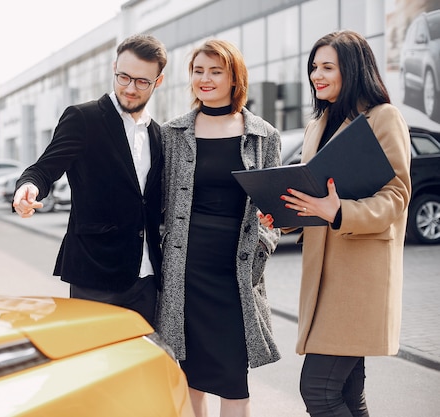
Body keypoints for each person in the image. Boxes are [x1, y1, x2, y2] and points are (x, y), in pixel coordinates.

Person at [260, 30, 411, 416]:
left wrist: (339, 211)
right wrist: (284, 214)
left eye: (328, 66)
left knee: (317, 390)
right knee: (345, 392)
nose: (316, 75)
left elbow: (396, 196)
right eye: (314, 67)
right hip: (322, 280)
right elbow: (316, 194)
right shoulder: (318, 123)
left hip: (359, 280)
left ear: (354, 70)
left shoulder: (383, 118)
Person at [157, 39, 281, 417]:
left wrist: (265, 237)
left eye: (215, 71)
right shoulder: (171, 134)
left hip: (235, 274)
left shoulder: (264, 135)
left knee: (233, 377)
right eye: (198, 71)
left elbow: (276, 209)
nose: (205, 79)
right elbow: (155, 202)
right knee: (189, 372)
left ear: (234, 77)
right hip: (185, 271)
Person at [11, 34, 167, 327]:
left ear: (158, 82)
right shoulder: (83, 118)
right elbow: (44, 168)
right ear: (114, 68)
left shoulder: (158, 135)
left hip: (147, 279)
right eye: (124, 77)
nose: (130, 88)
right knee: (96, 366)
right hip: (96, 274)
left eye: (142, 82)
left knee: (138, 367)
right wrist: (28, 187)